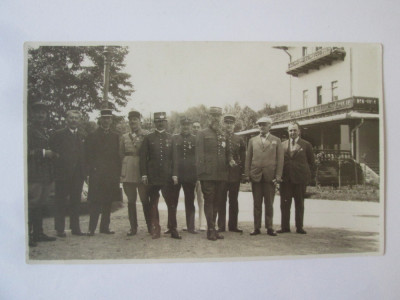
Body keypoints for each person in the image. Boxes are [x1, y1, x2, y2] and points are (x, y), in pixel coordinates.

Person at [140, 112, 181, 240]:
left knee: (172, 203)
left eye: (162, 121)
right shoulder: (148, 138)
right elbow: (143, 158)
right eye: (157, 121)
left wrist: (175, 174)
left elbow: (175, 158)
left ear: (166, 122)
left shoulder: (171, 138)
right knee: (153, 203)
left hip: (168, 176)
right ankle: (156, 229)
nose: (160, 123)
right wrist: (144, 174)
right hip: (153, 176)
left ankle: (173, 229)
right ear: (154, 123)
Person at [196, 107, 233, 241]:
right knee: (209, 201)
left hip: (221, 174)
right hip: (208, 174)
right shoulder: (202, 133)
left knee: (217, 201)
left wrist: (230, 160)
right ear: (209, 117)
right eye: (213, 116)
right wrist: (201, 173)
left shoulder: (223, 134)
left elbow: (228, 151)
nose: (215, 118)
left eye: (218, 116)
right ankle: (210, 230)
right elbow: (199, 155)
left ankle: (214, 229)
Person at [245, 116, 283, 237]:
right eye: (260, 124)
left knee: (269, 203)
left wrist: (278, 176)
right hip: (256, 175)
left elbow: (280, 160)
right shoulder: (252, 140)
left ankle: (269, 227)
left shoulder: (276, 140)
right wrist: (247, 174)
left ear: (270, 126)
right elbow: (248, 158)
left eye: (264, 124)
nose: (261, 127)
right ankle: (256, 227)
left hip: (270, 176)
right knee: (256, 203)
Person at [49, 110, 86, 237]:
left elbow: (83, 155)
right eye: (71, 117)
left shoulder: (82, 135)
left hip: (78, 174)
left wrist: (84, 173)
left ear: (79, 120)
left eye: (76, 118)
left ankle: (75, 228)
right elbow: (52, 153)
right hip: (63, 174)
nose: (74, 120)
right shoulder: (58, 134)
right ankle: (60, 229)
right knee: (61, 201)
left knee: (76, 201)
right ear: (67, 119)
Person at [85, 108, 120, 236]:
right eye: (104, 118)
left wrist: (118, 173)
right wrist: (89, 172)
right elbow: (87, 156)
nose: (106, 121)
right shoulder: (92, 136)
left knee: (108, 201)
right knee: (95, 202)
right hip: (97, 173)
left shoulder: (116, 136)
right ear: (100, 120)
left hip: (111, 174)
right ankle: (91, 228)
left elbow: (118, 156)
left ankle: (105, 227)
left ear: (111, 120)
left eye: (109, 118)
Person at [27, 101, 57, 247]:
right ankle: (28, 235)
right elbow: (24, 151)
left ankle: (38, 233)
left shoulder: (44, 130)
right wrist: (45, 153)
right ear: (32, 114)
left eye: (43, 113)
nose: (41, 115)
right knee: (32, 203)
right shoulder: (28, 130)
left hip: (45, 173)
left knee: (40, 204)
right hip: (34, 173)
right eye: (38, 112)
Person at [278, 122, 315, 234]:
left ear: (299, 131)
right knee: (284, 204)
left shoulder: (306, 145)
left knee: (299, 204)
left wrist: (307, 177)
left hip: (300, 179)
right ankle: (285, 227)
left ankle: (299, 227)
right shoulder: (282, 145)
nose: (292, 132)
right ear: (287, 132)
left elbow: (311, 162)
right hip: (286, 179)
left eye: (294, 130)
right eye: (290, 130)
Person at [119, 109, 151, 236]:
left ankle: (150, 226)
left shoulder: (147, 135)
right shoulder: (124, 137)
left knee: (144, 199)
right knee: (131, 201)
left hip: (142, 170)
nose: (133, 122)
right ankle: (133, 227)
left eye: (135, 120)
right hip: (128, 171)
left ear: (139, 121)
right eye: (131, 120)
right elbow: (120, 153)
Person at [217, 114, 246, 233]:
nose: (229, 125)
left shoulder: (239, 139)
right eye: (226, 123)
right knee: (221, 200)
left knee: (234, 201)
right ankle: (221, 225)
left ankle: (233, 226)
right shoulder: (219, 137)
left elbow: (244, 157)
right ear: (223, 124)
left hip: (235, 174)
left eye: (231, 123)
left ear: (234, 125)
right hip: (222, 174)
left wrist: (243, 172)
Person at [172, 116, 198, 234]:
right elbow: (171, 158)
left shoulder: (195, 139)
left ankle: (191, 226)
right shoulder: (174, 138)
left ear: (191, 126)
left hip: (190, 175)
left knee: (190, 201)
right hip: (176, 175)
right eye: (184, 125)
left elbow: (197, 158)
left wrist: (196, 175)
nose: (186, 127)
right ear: (180, 126)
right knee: (173, 202)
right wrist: (173, 174)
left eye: (188, 125)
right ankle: (171, 226)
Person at [192, 121, 206, 231]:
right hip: (190, 175)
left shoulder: (203, 140)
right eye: (194, 127)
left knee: (201, 200)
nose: (196, 129)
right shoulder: (189, 139)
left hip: (201, 175)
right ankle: (190, 223)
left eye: (198, 127)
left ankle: (202, 223)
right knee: (190, 200)